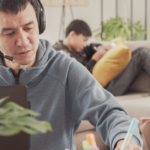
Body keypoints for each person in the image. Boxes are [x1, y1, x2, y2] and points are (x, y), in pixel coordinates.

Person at [0, 0, 142, 150]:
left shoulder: (65, 69)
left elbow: (109, 112)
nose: (23, 41)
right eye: (9, 33)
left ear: (40, 24)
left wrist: (125, 141)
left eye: (28, 28)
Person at [53, 20, 150, 96]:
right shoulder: (60, 54)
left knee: (140, 51)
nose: (84, 44)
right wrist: (94, 60)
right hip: (102, 90)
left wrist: (99, 47)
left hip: (108, 83)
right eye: (84, 39)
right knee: (141, 54)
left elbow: (91, 47)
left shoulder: (78, 49)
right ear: (72, 34)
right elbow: (77, 78)